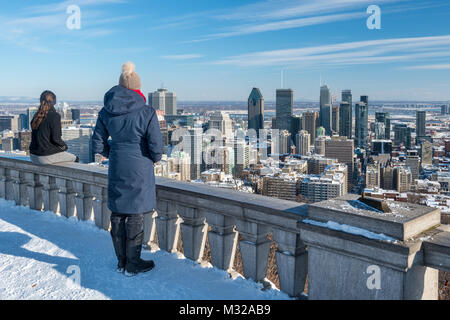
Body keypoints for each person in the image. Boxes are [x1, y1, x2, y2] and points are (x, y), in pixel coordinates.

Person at [92, 62, 164, 277]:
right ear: (138, 88)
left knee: (118, 211)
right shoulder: (147, 112)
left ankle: (121, 261)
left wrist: (112, 152)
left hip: (117, 165)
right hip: (139, 166)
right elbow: (156, 147)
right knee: (134, 213)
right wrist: (151, 158)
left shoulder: (106, 111)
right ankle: (132, 263)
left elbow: (97, 144)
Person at [29, 91, 78, 165]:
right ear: (54, 102)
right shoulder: (55, 116)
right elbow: (56, 138)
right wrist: (64, 146)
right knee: (75, 158)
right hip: (44, 156)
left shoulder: (37, 116)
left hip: (33, 156)